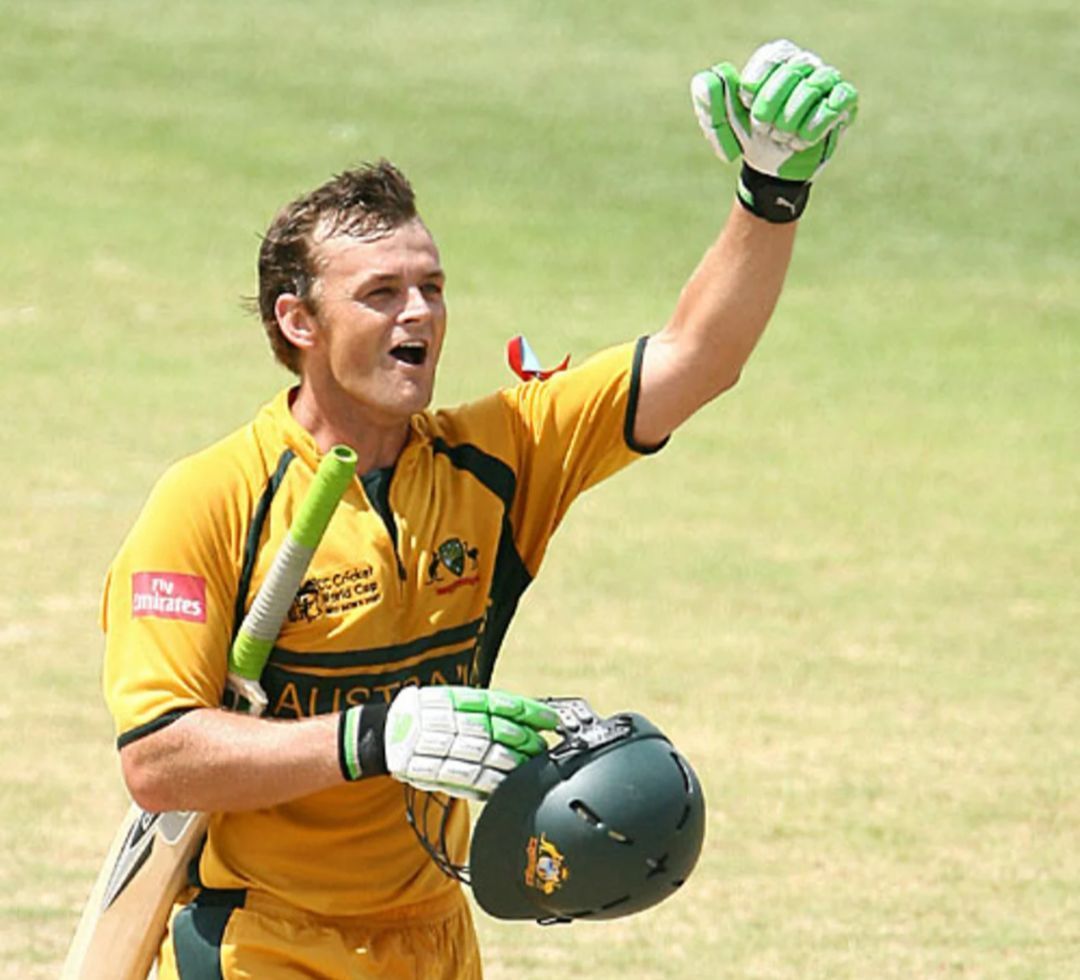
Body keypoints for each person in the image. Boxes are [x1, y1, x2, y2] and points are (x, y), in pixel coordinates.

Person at [100, 38, 857, 980]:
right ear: (300, 323)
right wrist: (379, 735)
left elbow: (699, 358)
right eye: (380, 293)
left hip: (433, 936)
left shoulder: (499, 455)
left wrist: (769, 194)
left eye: (432, 287)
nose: (419, 313)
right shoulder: (211, 499)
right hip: (265, 940)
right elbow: (160, 758)